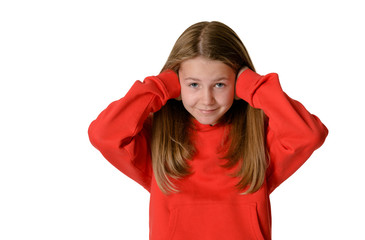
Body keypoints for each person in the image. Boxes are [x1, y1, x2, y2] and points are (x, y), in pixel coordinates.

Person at [88, 21, 328, 240]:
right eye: (193, 84)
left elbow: (308, 135)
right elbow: (104, 135)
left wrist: (253, 87)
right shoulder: (159, 141)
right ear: (177, 85)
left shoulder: (259, 141)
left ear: (237, 85)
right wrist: (161, 86)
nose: (207, 100)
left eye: (220, 84)